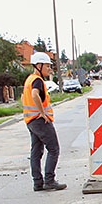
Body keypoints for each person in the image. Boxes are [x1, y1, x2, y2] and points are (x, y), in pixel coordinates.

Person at [22, 52, 66, 191]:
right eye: (47, 66)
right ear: (38, 65)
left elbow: (26, 97)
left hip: (30, 121)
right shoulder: (37, 81)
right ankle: (49, 180)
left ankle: (38, 182)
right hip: (40, 120)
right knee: (54, 149)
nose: (49, 69)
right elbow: (35, 94)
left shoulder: (29, 79)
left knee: (36, 151)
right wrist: (42, 113)